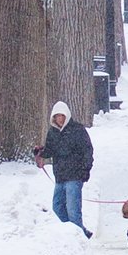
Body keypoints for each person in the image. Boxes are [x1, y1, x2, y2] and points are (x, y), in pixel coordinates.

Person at [36, 99, 95, 234]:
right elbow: (50, 150)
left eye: (62, 116)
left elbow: (87, 150)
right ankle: (78, 233)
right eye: (57, 116)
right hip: (60, 176)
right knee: (57, 207)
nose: (60, 119)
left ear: (67, 116)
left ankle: (79, 237)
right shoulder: (52, 132)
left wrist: (85, 170)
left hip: (75, 175)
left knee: (73, 210)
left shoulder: (77, 130)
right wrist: (40, 152)